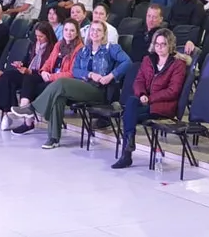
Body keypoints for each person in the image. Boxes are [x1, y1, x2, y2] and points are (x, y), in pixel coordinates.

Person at [11, 20, 130, 149]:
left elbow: (127, 62)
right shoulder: (84, 50)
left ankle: (32, 109)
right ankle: (53, 138)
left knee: (61, 82)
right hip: (82, 86)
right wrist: (90, 74)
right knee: (58, 97)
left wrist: (110, 76)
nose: (95, 33)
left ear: (104, 34)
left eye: (98, 30)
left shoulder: (111, 48)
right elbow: (75, 70)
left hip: (99, 90)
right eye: (93, 30)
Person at [111, 28, 187, 169]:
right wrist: (142, 95)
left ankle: (127, 154)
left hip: (162, 106)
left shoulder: (178, 65)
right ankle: (129, 143)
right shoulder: (148, 60)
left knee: (128, 114)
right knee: (132, 101)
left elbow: (173, 91)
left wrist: (150, 98)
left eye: (163, 44)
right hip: (145, 102)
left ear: (170, 45)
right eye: (157, 44)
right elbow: (139, 81)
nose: (159, 47)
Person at [0, 22, 58, 129]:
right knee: (8, 76)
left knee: (27, 78)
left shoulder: (53, 48)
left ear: (48, 35)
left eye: (41, 37)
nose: (38, 39)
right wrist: (20, 64)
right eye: (37, 36)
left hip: (40, 76)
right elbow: (26, 60)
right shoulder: (34, 45)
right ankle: (6, 110)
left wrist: (29, 71)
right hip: (28, 73)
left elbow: (48, 69)